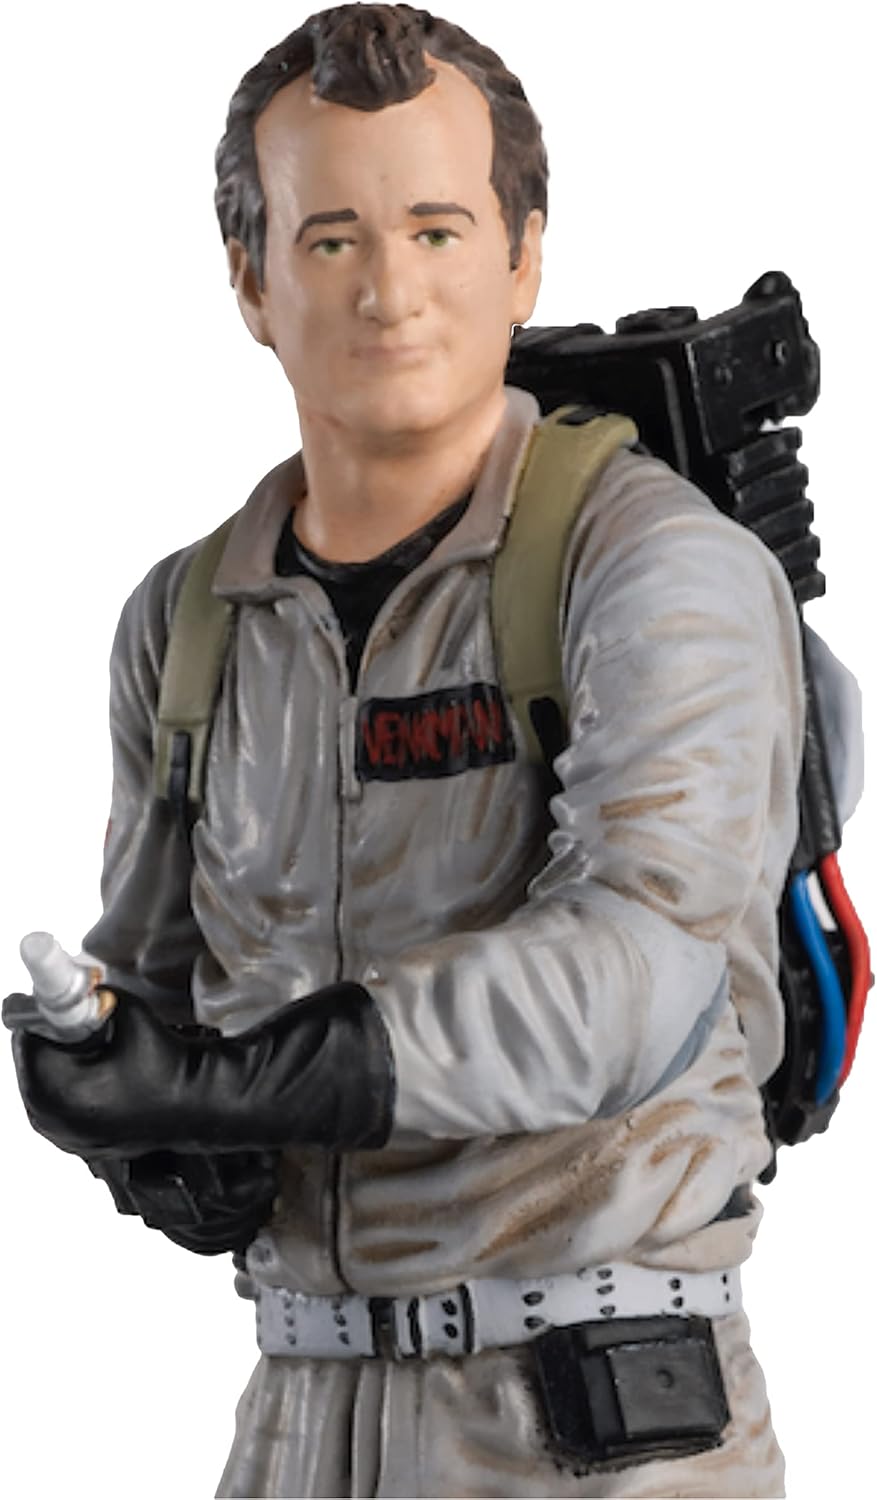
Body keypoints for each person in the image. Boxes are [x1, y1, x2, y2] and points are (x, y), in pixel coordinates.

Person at [7, 5, 806, 1495]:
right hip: (297, 1408)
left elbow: (633, 967)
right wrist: (139, 1116)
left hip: (598, 1426)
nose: (390, 292)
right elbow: (160, 980)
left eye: (439, 231)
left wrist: (249, 1083)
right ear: (251, 280)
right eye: (331, 240)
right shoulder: (188, 623)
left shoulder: (651, 568)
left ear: (523, 255)